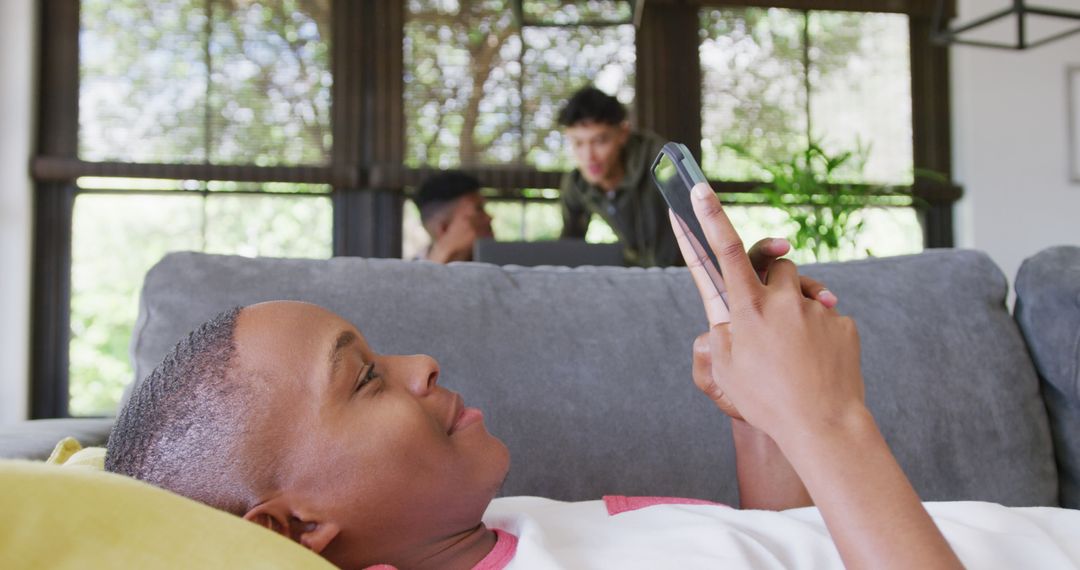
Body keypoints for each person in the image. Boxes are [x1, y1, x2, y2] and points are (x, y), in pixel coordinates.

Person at [105, 184, 964, 569]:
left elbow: (792, 552)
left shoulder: (509, 527)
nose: (421, 363)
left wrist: (762, 416)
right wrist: (829, 421)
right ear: (297, 528)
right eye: (364, 377)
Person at [557, 86, 679, 268]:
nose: (589, 157)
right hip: (634, 275)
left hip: (685, 274)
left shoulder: (660, 161)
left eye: (600, 141)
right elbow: (569, 247)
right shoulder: (576, 184)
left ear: (623, 133)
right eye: (578, 143)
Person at [413, 170, 494, 263]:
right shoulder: (406, 274)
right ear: (444, 228)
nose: (489, 218)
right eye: (478, 210)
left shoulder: (501, 268)